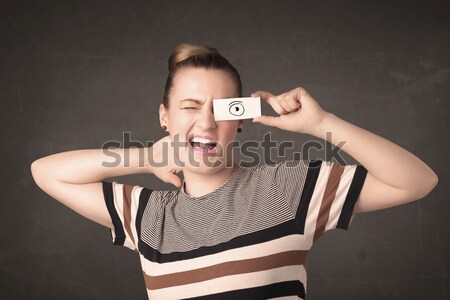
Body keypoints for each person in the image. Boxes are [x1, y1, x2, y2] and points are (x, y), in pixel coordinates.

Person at [31, 43, 438, 299]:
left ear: (239, 121)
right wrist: (146, 158)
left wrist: (320, 124)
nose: (205, 124)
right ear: (164, 118)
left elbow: (418, 181)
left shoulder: (287, 189)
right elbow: (47, 172)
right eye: (190, 107)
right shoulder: (147, 216)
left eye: (221, 109)